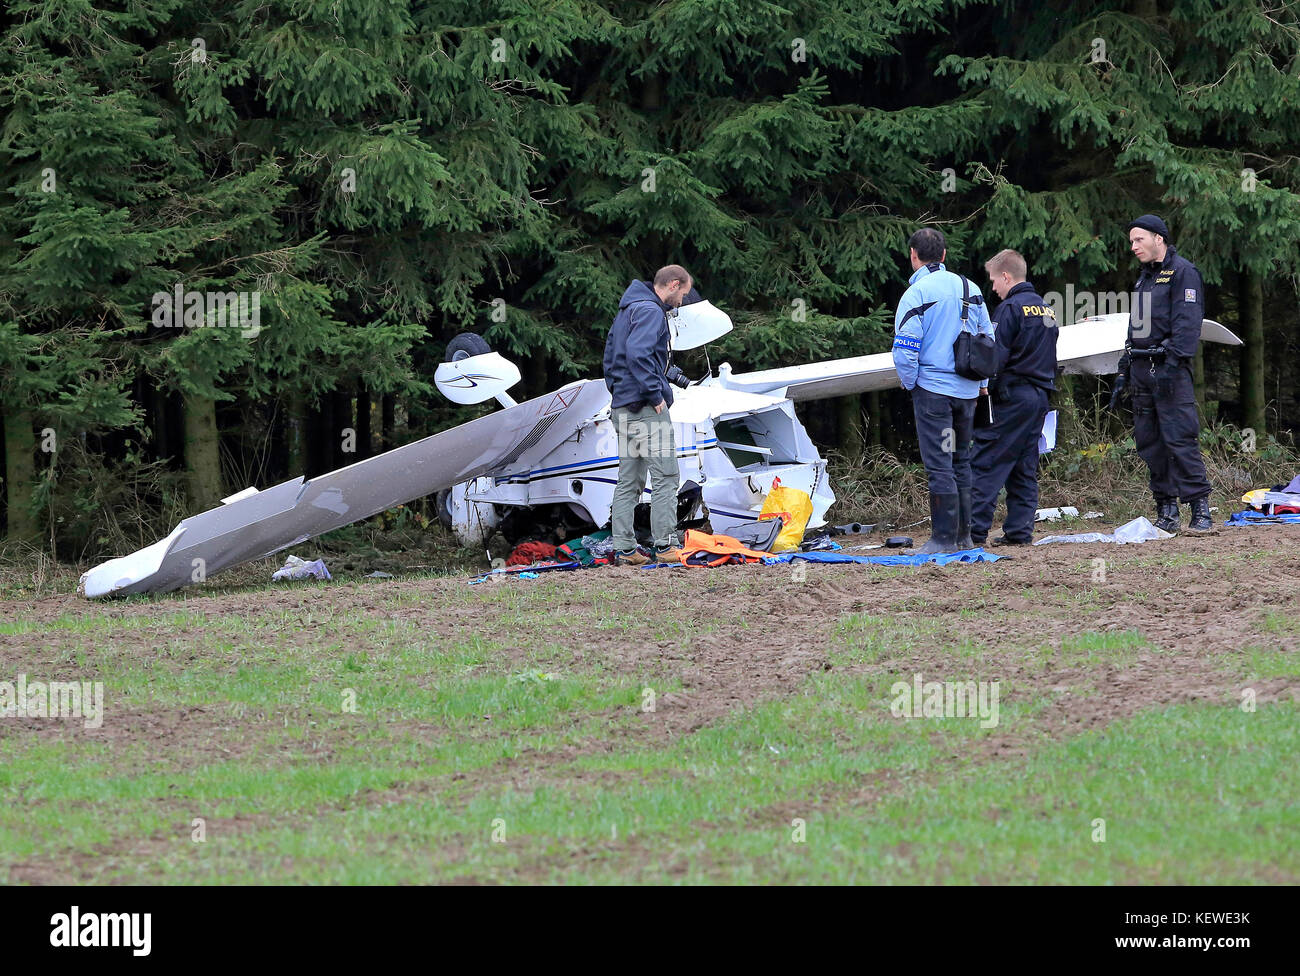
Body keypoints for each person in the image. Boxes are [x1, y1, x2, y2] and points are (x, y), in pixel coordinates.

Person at [893, 228, 996, 553]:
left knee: (939, 464)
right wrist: (982, 385)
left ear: (913, 255)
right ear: (944, 255)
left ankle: (941, 539)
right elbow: (986, 341)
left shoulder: (916, 293)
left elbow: (905, 348)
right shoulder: (971, 288)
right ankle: (963, 537)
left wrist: (911, 383)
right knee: (960, 460)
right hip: (967, 394)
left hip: (933, 394)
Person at [1109, 214, 1213, 534]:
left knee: (1180, 439)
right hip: (1142, 368)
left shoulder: (1183, 273)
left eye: (1139, 239)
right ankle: (1166, 510)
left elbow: (1187, 324)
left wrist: (1172, 364)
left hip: (1169, 368)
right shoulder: (1144, 277)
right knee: (1149, 442)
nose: (1134, 246)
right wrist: (1126, 362)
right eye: (1131, 241)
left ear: (1159, 239)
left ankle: (1200, 510)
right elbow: (1136, 323)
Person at [603, 265, 691, 565]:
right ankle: (666, 546)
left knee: (630, 480)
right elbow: (638, 354)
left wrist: (622, 393)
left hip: (623, 409)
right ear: (673, 285)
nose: (681, 301)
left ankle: (626, 549)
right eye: (683, 294)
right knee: (666, 475)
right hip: (645, 410)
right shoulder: (652, 312)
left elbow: (613, 356)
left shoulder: (628, 309)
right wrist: (655, 395)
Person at [969, 250, 1058, 546]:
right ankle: (1020, 532)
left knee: (987, 462)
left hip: (1012, 397)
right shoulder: (1046, 309)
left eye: (994, 280)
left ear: (1006, 277)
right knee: (1023, 465)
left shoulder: (1009, 309)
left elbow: (996, 359)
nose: (993, 287)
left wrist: (982, 387)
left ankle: (972, 532)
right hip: (1040, 397)